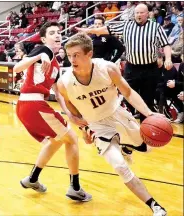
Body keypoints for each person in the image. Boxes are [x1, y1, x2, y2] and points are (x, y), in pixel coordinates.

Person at [57, 32, 167, 216]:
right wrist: (84, 129)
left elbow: (128, 92)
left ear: (89, 54)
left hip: (117, 114)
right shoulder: (65, 82)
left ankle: (126, 146)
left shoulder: (107, 69)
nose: (72, 59)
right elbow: (72, 109)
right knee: (120, 167)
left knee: (148, 149)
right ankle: (155, 206)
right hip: (97, 125)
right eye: (69, 55)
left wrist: (148, 114)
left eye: (76, 55)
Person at [13, 22, 92, 202]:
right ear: (43, 38)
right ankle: (75, 187)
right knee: (71, 139)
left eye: (59, 32)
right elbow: (18, 68)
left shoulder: (56, 62)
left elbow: (58, 95)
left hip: (29, 106)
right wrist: (39, 54)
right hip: (32, 103)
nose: (57, 35)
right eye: (52, 32)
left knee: (56, 141)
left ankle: (32, 179)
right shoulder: (44, 50)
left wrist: (70, 115)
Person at [76, 3, 173, 123]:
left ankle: (145, 130)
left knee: (147, 100)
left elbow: (166, 44)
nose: (139, 15)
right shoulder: (127, 25)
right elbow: (106, 29)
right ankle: (129, 124)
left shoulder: (156, 27)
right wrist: (89, 30)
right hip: (132, 68)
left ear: (147, 14)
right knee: (127, 97)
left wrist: (168, 59)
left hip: (150, 69)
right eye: (137, 12)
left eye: (142, 12)